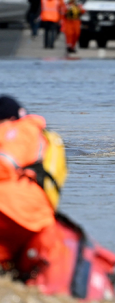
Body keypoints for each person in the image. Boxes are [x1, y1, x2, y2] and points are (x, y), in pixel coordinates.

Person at [0, 96, 70, 290]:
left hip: (9, 210)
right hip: (39, 216)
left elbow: (4, 165)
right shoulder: (41, 135)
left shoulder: (16, 131)